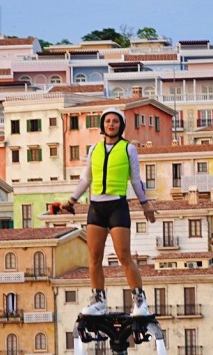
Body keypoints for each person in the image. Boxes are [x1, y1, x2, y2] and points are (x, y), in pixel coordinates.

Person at [65, 107, 155, 316]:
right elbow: (86, 178)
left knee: (124, 256)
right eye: (107, 121)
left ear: (121, 125)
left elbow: (135, 179)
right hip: (96, 207)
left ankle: (140, 301)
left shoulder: (128, 149)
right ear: (102, 125)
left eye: (115, 121)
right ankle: (98, 300)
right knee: (94, 256)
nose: (111, 124)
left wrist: (145, 204)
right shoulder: (94, 149)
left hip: (117, 206)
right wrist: (72, 200)